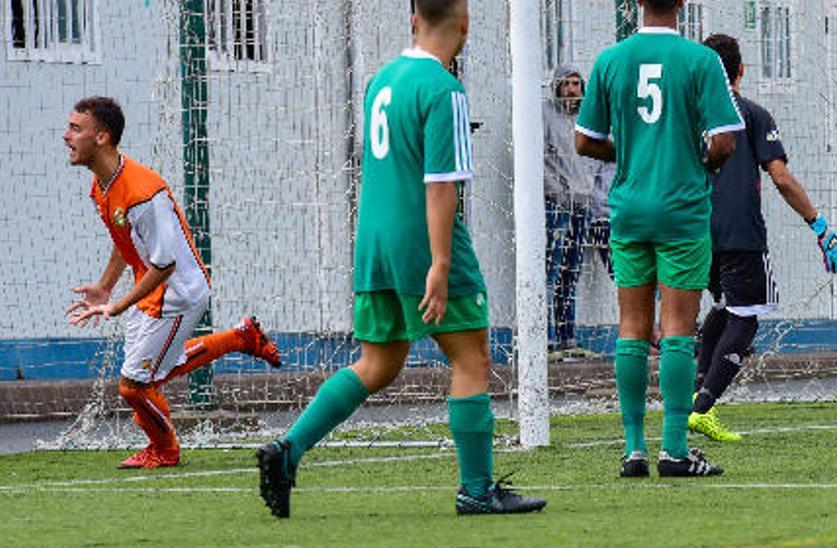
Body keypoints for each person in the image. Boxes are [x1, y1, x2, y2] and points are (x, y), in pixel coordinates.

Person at [255, 0, 545, 517]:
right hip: (422, 242)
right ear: (466, 23)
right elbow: (439, 185)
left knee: (377, 362)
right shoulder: (445, 90)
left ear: (413, 20)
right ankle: (476, 491)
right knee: (471, 358)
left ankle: (288, 449)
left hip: (373, 244)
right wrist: (438, 262)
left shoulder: (380, 82)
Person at [62, 96, 281, 469]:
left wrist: (116, 305)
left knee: (135, 386)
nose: (65, 136)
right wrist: (104, 287)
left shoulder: (143, 193)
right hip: (151, 287)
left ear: (102, 137)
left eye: (75, 129)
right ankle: (241, 337)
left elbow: (164, 265)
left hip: (177, 293)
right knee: (152, 372)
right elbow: (125, 240)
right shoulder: (101, 186)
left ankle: (165, 450)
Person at [575, 0, 743, 477]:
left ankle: (633, 450)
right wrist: (700, 164)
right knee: (677, 329)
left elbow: (584, 140)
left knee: (630, 325)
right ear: (683, 4)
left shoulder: (611, 60)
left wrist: (627, 151)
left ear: (637, 4)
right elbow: (726, 141)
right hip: (681, 210)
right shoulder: (700, 60)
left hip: (628, 209)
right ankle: (674, 450)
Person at [689, 34, 837, 442]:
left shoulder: (691, 115)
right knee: (747, 316)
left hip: (694, 231)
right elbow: (780, 177)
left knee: (722, 307)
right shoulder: (753, 114)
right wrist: (819, 226)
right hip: (740, 233)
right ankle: (704, 407)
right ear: (741, 70)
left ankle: (695, 402)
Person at [543, 64, 600, 362]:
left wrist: (590, 191)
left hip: (583, 203)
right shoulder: (544, 114)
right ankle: (546, 339)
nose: (572, 89)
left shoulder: (586, 118)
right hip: (554, 204)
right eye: (566, 83)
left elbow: (596, 157)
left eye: (577, 84)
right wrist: (558, 191)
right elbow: (536, 157)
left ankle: (568, 337)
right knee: (550, 269)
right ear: (556, 85)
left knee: (571, 271)